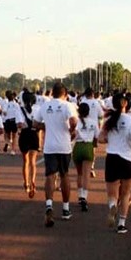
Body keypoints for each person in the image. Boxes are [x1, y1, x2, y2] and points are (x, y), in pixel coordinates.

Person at [34, 82, 77, 227]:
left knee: (50, 175)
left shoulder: (45, 106)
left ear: (52, 93)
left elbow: (35, 124)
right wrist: (71, 130)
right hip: (64, 146)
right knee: (64, 175)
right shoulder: (67, 105)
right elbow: (73, 121)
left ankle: (49, 205)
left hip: (49, 146)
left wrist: (46, 126)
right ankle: (65, 208)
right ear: (65, 94)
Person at [98, 92, 131, 234]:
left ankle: (112, 205)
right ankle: (122, 224)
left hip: (112, 158)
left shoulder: (109, 120)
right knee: (125, 193)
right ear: (127, 104)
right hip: (127, 159)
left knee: (112, 193)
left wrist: (110, 140)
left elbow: (100, 138)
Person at [73, 101, 98, 212]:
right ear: (89, 112)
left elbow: (73, 134)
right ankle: (84, 196)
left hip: (78, 146)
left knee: (79, 174)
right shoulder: (93, 122)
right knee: (86, 175)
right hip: (88, 146)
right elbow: (97, 136)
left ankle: (79, 196)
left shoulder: (77, 122)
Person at [16, 90, 41, 198]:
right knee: (33, 162)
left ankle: (26, 183)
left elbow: (19, 124)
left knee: (25, 161)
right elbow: (39, 124)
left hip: (24, 135)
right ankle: (33, 181)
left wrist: (23, 125)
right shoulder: (37, 109)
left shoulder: (19, 109)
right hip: (34, 135)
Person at [2, 91, 21, 156]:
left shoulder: (6, 104)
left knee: (7, 134)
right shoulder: (16, 104)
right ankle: (13, 150)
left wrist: (8, 114)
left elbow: (4, 112)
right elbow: (19, 113)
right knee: (14, 136)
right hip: (14, 121)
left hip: (7, 121)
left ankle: (7, 143)